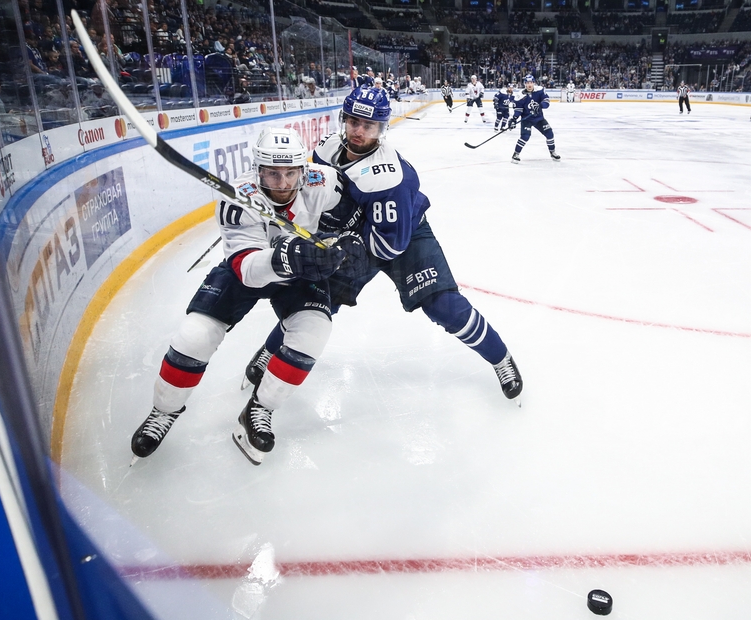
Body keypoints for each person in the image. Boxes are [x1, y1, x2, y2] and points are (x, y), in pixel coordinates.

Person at [242, 86, 523, 406]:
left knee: (443, 306)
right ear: (343, 119)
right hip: (353, 235)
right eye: (353, 122)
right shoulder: (326, 149)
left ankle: (501, 359)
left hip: (403, 237)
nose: (359, 131)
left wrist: (343, 248)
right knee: (312, 302)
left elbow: (390, 245)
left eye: (369, 126)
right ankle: (268, 353)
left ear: (381, 129)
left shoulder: (391, 178)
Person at [130, 127, 365, 466]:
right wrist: (285, 255)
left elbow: (353, 218)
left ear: (304, 168)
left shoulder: (324, 180)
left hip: (299, 270)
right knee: (194, 336)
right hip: (252, 269)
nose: (282, 183)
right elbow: (246, 271)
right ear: (257, 170)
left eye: (290, 173)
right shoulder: (238, 196)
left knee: (314, 333)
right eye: (272, 173)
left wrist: (347, 243)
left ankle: (258, 409)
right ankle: (163, 411)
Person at [510, 74, 560, 164]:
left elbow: (546, 102)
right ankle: (516, 154)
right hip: (527, 119)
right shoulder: (520, 95)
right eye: (527, 83)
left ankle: (552, 152)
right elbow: (518, 110)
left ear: (534, 83)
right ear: (525, 83)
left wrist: (540, 106)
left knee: (549, 133)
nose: (529, 85)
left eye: (531, 82)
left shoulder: (540, 90)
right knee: (525, 137)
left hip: (539, 118)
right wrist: (513, 119)